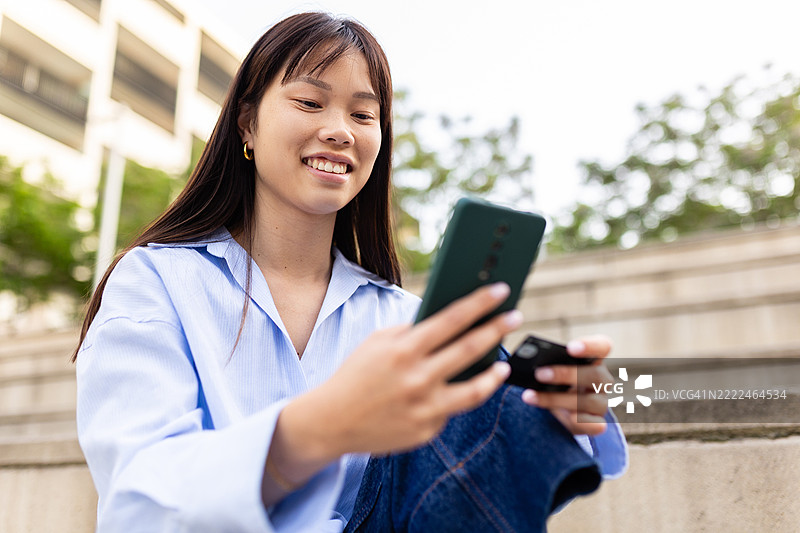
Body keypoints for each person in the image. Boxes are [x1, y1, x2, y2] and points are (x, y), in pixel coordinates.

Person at [74, 12, 627, 532]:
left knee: (494, 390)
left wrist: (569, 407)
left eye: (363, 115)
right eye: (310, 102)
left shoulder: (405, 319)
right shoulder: (156, 281)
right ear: (247, 124)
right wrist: (321, 426)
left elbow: (466, 491)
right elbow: (141, 500)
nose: (340, 131)